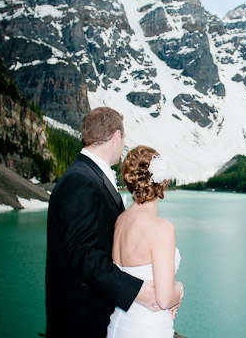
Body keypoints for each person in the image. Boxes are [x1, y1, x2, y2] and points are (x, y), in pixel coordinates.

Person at [45, 107, 159, 337]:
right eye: (124, 138)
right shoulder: (81, 180)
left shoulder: (87, 174)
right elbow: (82, 252)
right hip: (80, 321)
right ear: (117, 136)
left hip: (91, 315)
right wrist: (135, 290)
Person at [107, 145, 183, 338]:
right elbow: (165, 300)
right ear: (161, 181)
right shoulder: (161, 228)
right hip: (147, 329)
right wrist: (179, 290)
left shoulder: (120, 221)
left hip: (118, 325)